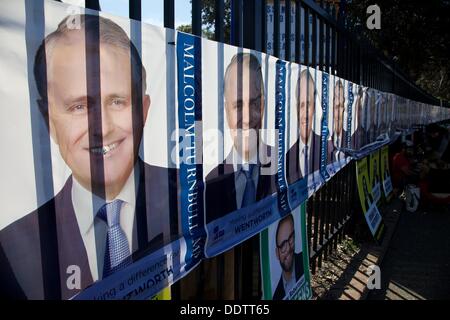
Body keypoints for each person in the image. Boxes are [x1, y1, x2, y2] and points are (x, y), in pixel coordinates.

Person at [0, 14, 178, 299]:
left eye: (117, 101)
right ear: (48, 120)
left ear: (143, 110)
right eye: (79, 106)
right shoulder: (10, 250)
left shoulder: (191, 195)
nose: (102, 128)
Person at [204, 53, 277, 224]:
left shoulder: (283, 162)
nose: (246, 118)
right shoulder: (211, 184)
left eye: (254, 103)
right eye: (237, 105)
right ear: (226, 110)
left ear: (263, 105)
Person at [285, 69, 321, 184]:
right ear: (296, 109)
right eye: (301, 105)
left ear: (314, 107)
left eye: (308, 105)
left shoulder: (326, 148)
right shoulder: (286, 158)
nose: (305, 115)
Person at [273, 214, 304, 300]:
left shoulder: (303, 261)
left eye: (290, 238)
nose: (288, 249)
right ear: (277, 253)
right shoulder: (275, 296)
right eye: (283, 245)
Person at [327, 80, 346, 163]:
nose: (338, 113)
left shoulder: (352, 139)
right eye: (335, 107)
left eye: (340, 106)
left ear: (344, 109)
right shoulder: (323, 143)